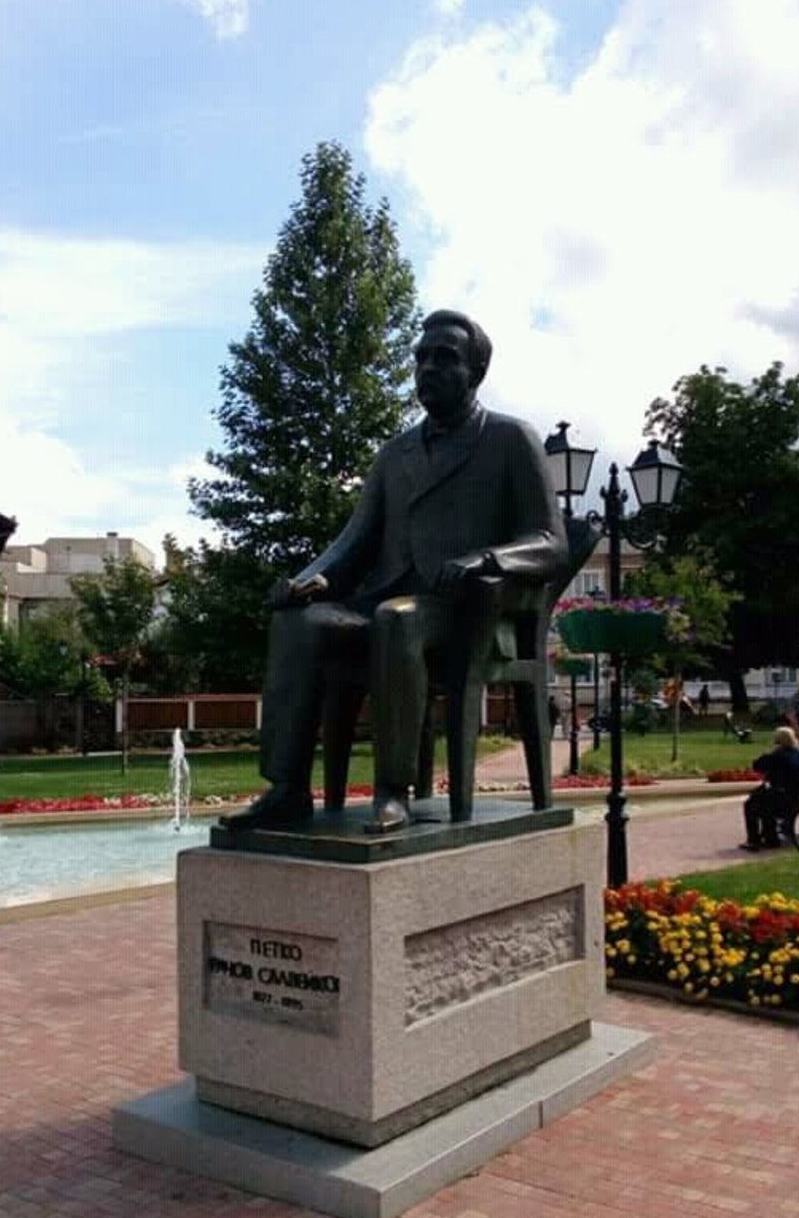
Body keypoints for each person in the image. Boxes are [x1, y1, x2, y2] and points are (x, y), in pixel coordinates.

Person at [221, 309, 569, 835]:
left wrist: (487, 559)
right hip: (387, 601)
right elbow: (352, 542)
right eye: (421, 358)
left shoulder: (509, 439)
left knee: (396, 618)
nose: (427, 368)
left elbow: (550, 542)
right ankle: (287, 790)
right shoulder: (394, 455)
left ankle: (393, 792)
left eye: (444, 358)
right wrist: (311, 580)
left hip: (465, 609)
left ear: (476, 371)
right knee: (298, 622)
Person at [741, 725, 799, 851]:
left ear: (777, 741)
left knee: (751, 804)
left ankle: (753, 840)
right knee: (764, 799)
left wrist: (770, 752)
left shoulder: (776, 756)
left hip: (783, 800)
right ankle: (770, 837)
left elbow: (757, 766)